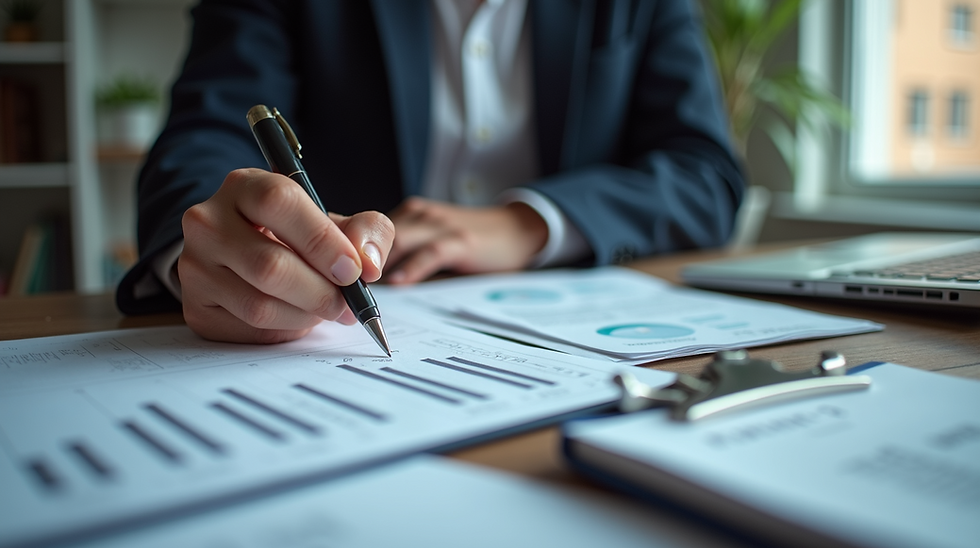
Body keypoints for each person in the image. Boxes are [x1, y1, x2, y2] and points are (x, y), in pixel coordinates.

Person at [116, 0, 745, 344]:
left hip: (567, 325)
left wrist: (527, 223)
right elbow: (202, 138)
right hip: (330, 302)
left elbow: (704, 173)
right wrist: (210, 250)